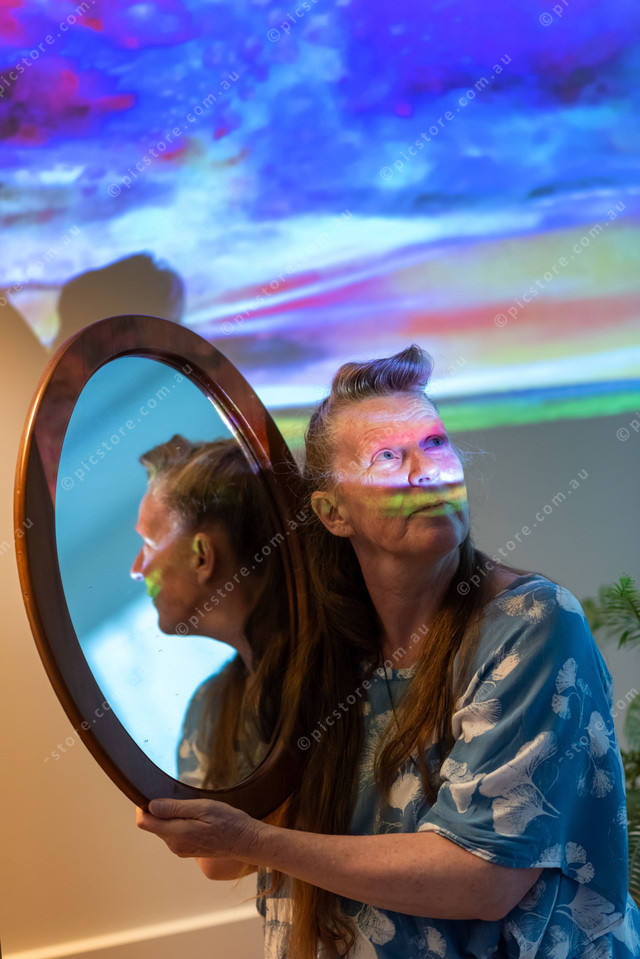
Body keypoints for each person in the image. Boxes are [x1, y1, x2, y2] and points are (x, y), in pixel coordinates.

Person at [136, 347, 640, 958]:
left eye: (435, 443)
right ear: (332, 512)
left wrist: (255, 842)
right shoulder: (323, 655)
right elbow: (221, 859)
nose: (427, 471)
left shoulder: (531, 622)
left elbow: (483, 879)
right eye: (388, 457)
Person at [130, 433, 291, 790]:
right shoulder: (209, 711)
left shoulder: (340, 666)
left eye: (148, 544)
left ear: (201, 556)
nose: (137, 568)